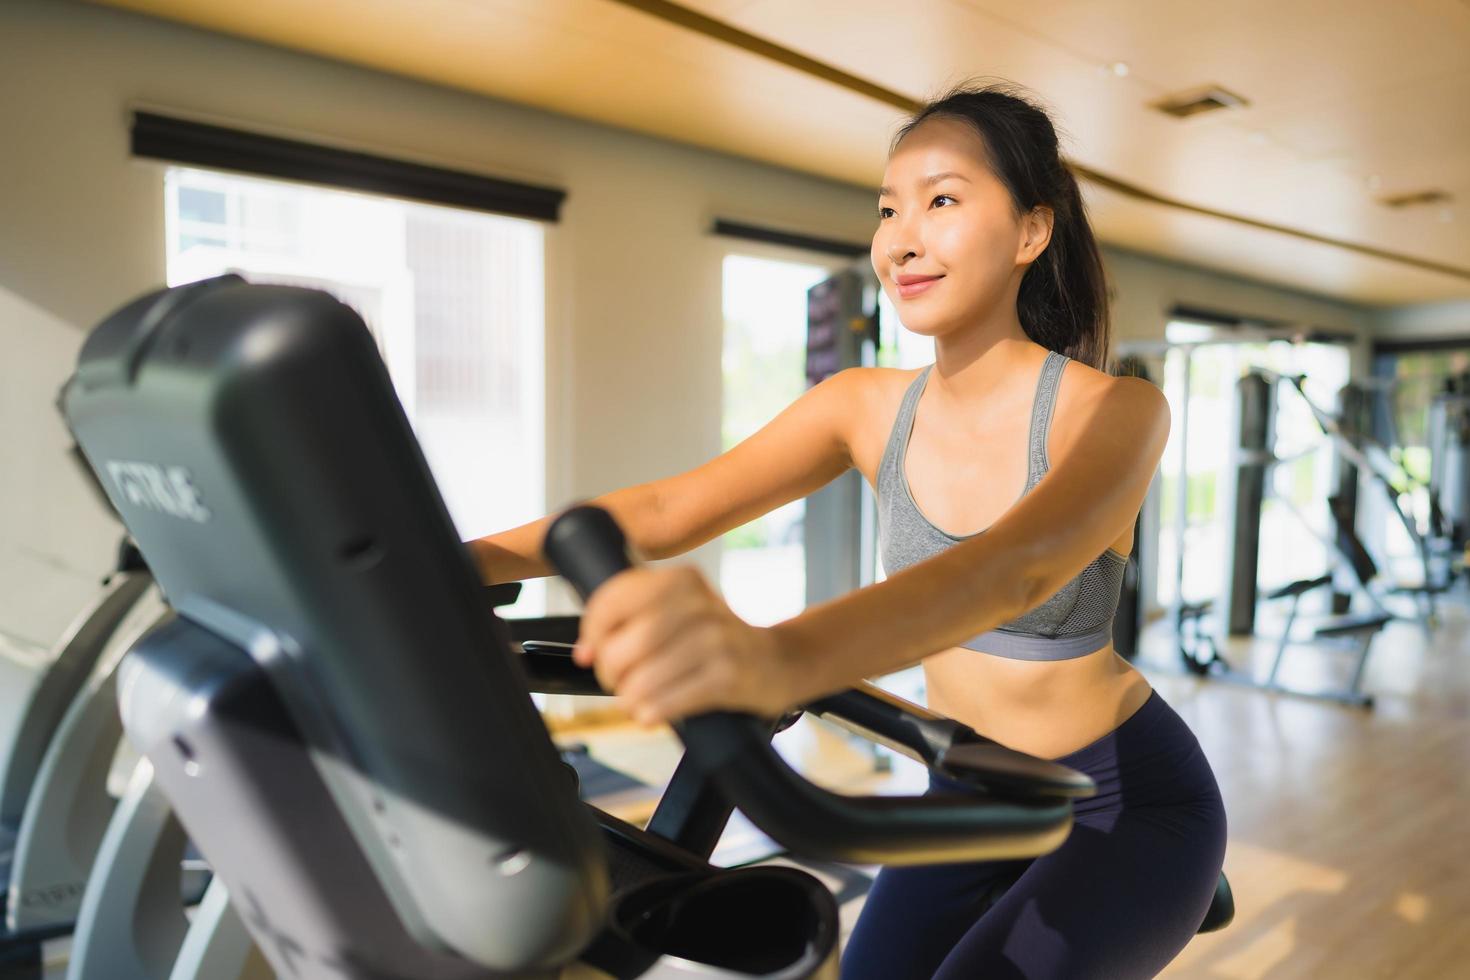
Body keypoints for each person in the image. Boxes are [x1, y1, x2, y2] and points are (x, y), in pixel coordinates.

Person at [468, 82, 1227, 979]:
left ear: (1032, 231)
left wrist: (780, 659)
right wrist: (458, 562)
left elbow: (1013, 571)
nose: (901, 238)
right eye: (888, 209)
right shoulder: (867, 408)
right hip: (973, 789)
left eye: (942, 200)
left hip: (1122, 801)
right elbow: (668, 510)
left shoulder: (1116, 412)